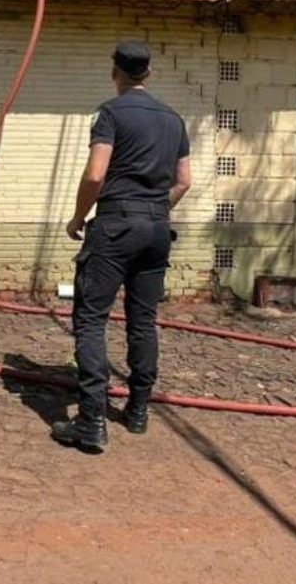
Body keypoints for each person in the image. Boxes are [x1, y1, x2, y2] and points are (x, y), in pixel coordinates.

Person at [52, 40, 192, 452]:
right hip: (156, 230)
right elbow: (184, 181)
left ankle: (92, 422)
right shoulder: (173, 119)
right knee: (142, 320)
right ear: (148, 74)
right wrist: (152, 210)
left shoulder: (110, 113)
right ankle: (137, 412)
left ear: (115, 71)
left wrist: (79, 217)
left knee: (92, 320)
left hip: (114, 227)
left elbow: (96, 174)